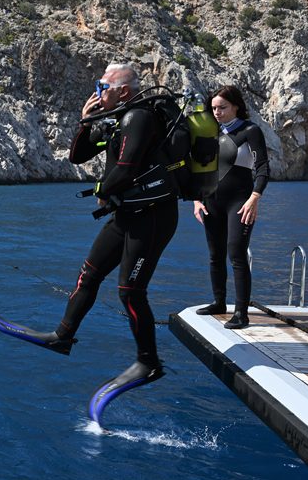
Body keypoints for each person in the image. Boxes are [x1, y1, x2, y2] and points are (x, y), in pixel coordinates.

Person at [34, 63, 179, 388]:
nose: (97, 94)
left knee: (130, 291)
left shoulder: (137, 118)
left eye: (103, 88)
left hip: (153, 217)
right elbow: (77, 156)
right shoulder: (116, 119)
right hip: (127, 214)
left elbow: (125, 170)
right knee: (89, 274)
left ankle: (148, 363)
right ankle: (63, 337)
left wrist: (102, 191)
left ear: (123, 91)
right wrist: (86, 121)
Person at [192, 84, 270, 329]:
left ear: (236, 106)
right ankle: (218, 302)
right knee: (215, 256)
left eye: (222, 107)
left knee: (236, 255)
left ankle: (241, 313)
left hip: (240, 203)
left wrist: (254, 197)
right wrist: (196, 199)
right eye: (213, 108)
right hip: (211, 203)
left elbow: (263, 168)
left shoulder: (250, 130)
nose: (217, 112)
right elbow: (199, 169)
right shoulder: (210, 132)